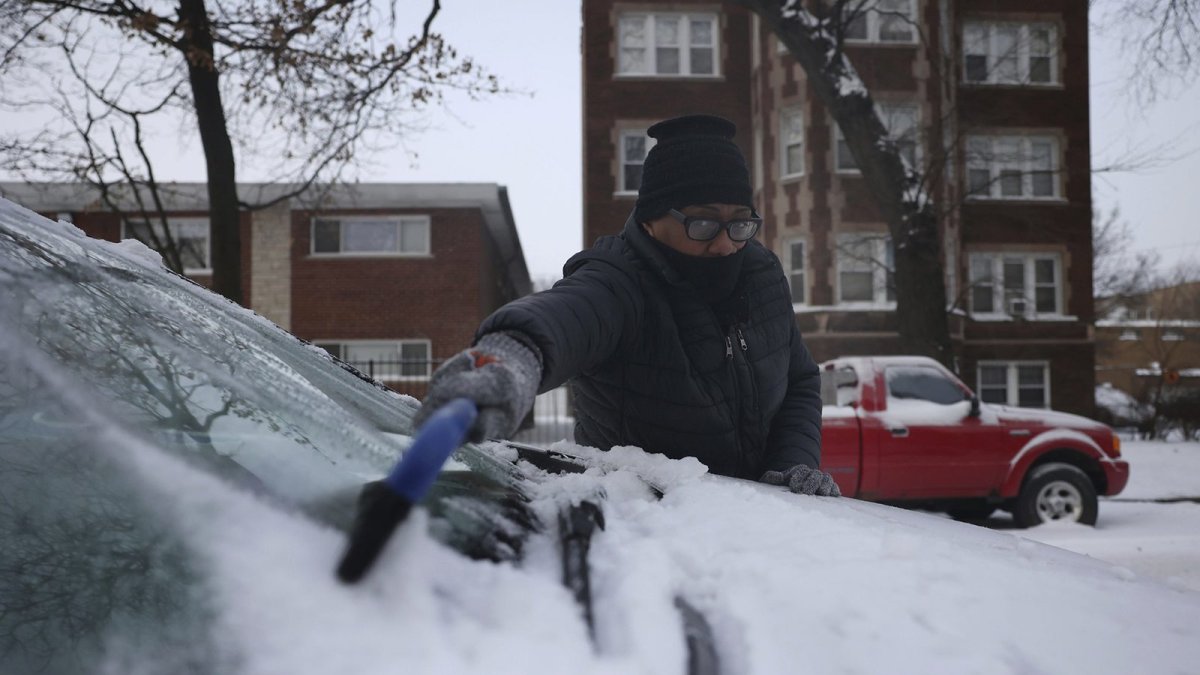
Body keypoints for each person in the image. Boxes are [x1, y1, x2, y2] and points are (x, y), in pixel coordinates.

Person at [414, 113, 839, 496]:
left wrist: (791, 467)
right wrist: (506, 362)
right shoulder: (619, 280)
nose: (726, 243)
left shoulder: (760, 274)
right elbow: (565, 316)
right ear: (653, 218)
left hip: (756, 529)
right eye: (704, 222)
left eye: (740, 222)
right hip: (642, 535)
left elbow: (799, 379)